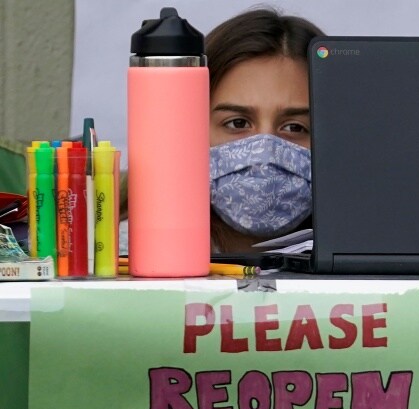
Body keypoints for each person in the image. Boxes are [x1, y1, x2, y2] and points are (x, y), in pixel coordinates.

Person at [119, 7, 324, 255]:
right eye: (237, 123)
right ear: (185, 130)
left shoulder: (363, 255)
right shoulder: (127, 255)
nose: (265, 153)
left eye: (294, 127)